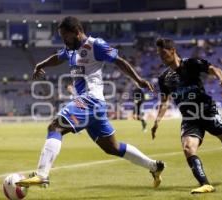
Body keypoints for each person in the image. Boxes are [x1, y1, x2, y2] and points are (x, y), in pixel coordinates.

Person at [16, 16, 164, 188]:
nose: (63, 40)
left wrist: (138, 80)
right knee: (112, 148)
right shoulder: (70, 49)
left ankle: (42, 175)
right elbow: (57, 57)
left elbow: (119, 61)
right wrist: (40, 65)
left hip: (90, 99)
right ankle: (154, 166)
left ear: (77, 32)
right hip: (93, 105)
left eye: (66, 36)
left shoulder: (96, 45)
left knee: (55, 127)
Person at [151, 38, 222, 194]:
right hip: (189, 118)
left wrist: (221, 77)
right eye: (159, 54)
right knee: (188, 148)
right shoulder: (163, 78)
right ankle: (205, 184)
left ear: (173, 50)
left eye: (164, 53)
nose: (161, 57)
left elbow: (214, 69)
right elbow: (164, 101)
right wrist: (157, 122)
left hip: (207, 111)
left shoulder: (191, 63)